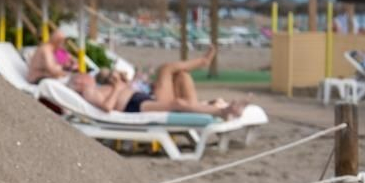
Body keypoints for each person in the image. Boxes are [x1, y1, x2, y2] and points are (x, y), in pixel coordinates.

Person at [68, 46, 245, 119]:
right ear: (79, 83)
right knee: (177, 99)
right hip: (133, 106)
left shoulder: (97, 86)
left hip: (141, 98)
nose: (87, 74)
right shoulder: (89, 92)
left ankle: (214, 107)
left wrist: (122, 82)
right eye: (82, 75)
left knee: (180, 76)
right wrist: (116, 86)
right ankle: (221, 111)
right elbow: (107, 107)